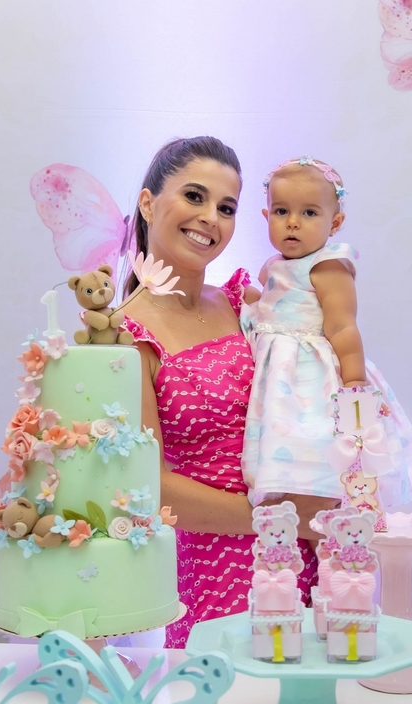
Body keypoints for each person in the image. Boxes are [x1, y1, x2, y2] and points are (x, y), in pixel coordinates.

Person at [119, 137, 335, 648]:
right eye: (194, 196)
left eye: (226, 207)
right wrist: (284, 520)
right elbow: (146, 487)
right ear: (148, 203)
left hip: (309, 553)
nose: (210, 218)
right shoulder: (125, 336)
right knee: (235, 693)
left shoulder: (248, 303)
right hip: (220, 567)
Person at [240, 157, 412, 510]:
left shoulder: (328, 267)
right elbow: (275, 305)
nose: (293, 222)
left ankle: (322, 503)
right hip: (277, 373)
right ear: (266, 216)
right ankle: (285, 495)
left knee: (313, 434)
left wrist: (354, 379)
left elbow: (342, 325)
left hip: (309, 374)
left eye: (309, 213)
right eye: (281, 211)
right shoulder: (273, 265)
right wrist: (250, 300)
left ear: (334, 223)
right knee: (279, 430)